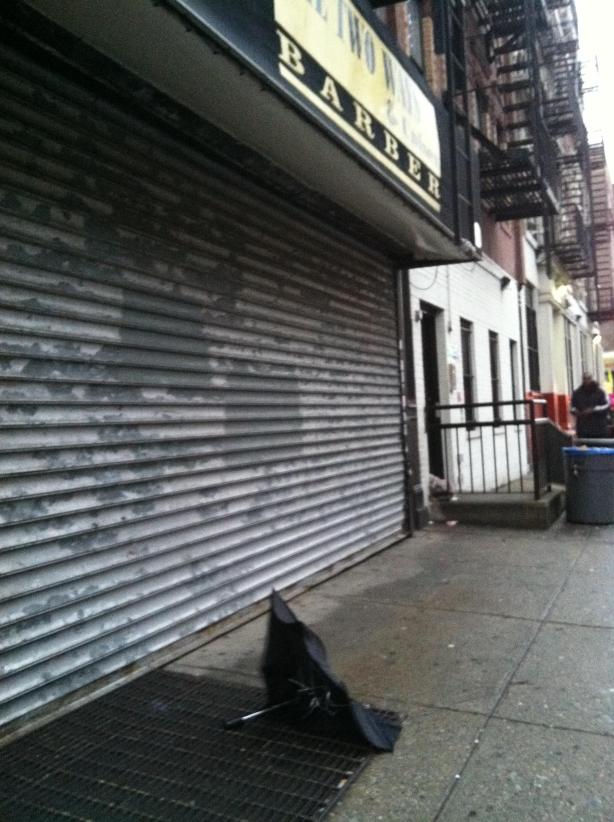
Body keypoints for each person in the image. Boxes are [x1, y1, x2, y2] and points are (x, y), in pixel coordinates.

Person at [570, 372, 610, 439]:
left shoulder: (600, 392)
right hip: (583, 430)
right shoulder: (577, 393)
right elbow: (572, 407)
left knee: (599, 445)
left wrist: (593, 410)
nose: (586, 381)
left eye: (588, 378)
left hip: (599, 429)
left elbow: (606, 406)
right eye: (584, 379)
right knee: (584, 445)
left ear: (592, 379)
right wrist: (575, 411)